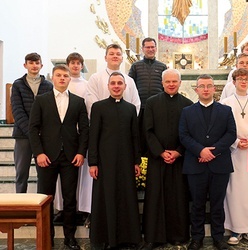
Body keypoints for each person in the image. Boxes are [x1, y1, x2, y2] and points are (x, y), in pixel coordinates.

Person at [29, 64, 89, 249]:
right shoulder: (41, 100)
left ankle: (69, 238)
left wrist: (81, 152)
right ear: (53, 78)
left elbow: (85, 130)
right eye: (59, 75)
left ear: (70, 79)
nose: (62, 78)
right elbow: (33, 129)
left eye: (65, 75)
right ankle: (47, 236)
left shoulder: (78, 101)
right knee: (46, 198)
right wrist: (38, 153)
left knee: (70, 199)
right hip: (46, 156)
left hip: (71, 157)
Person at [179, 74, 236, 250]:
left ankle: (219, 237)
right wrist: (200, 150)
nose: (205, 89)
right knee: (197, 204)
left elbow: (231, 134)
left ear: (214, 89)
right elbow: (183, 135)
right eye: (202, 86)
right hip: (195, 164)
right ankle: (197, 238)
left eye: (208, 86)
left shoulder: (225, 110)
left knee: (218, 204)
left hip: (219, 165)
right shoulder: (187, 111)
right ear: (196, 90)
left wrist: (213, 151)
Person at [88, 72, 142, 249]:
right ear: (108, 86)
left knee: (127, 198)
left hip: (126, 162)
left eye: (120, 83)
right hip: (105, 163)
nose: (117, 86)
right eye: (113, 83)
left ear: (125, 87)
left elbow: (135, 136)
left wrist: (136, 162)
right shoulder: (98, 107)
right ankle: (105, 238)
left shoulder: (130, 108)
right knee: (106, 198)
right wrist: (93, 163)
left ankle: (128, 237)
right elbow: (93, 137)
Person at [141, 69, 193, 249]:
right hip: (158, 159)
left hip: (179, 160)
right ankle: (153, 237)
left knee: (178, 198)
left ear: (180, 83)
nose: (171, 84)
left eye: (174, 81)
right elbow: (147, 131)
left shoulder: (188, 104)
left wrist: (178, 152)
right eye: (168, 81)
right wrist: (161, 152)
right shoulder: (151, 103)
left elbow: (190, 133)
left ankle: (178, 235)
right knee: (155, 197)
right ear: (162, 83)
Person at [220, 69, 248, 245]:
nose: (243, 82)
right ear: (234, 81)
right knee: (234, 192)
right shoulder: (225, 103)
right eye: (240, 79)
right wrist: (235, 142)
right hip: (234, 153)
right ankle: (235, 230)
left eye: (246, 79)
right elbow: (221, 128)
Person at [53, 52, 92, 228]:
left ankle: (81, 208)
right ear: (68, 65)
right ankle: (61, 208)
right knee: (62, 179)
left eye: (78, 63)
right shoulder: (60, 86)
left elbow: (88, 109)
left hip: (78, 138)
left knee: (79, 177)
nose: (75, 66)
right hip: (60, 139)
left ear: (82, 65)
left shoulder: (87, 85)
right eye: (72, 63)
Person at [11, 52, 53, 193]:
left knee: (44, 175)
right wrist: (32, 133)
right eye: (31, 63)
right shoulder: (17, 85)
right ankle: (20, 207)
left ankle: (42, 210)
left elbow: (50, 112)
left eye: (37, 63)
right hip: (23, 135)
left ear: (41, 65)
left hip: (43, 136)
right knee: (22, 174)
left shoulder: (48, 85)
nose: (34, 66)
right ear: (25, 65)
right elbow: (17, 111)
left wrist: (41, 132)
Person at [128, 37, 167, 154]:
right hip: (140, 108)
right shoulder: (135, 66)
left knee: (156, 134)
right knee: (140, 135)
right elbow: (130, 85)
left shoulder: (162, 66)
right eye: (147, 47)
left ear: (156, 48)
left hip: (157, 108)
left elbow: (165, 87)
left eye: (152, 47)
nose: (150, 49)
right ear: (143, 49)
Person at [86, 43, 140, 115]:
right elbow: (91, 103)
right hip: (103, 123)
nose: (115, 56)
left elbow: (136, 104)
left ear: (122, 59)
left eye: (118, 54)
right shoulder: (95, 78)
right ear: (105, 58)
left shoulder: (129, 80)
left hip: (125, 122)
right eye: (111, 54)